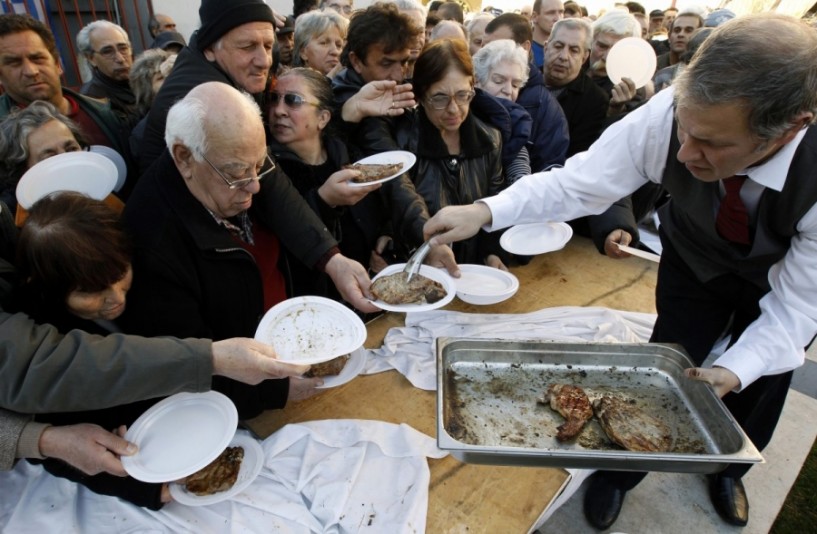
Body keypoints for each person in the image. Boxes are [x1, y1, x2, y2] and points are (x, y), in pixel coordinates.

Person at [423, 14, 817, 529]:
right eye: (685, 130)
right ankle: (620, 471)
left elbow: (798, 308)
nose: (683, 153)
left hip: (780, 274)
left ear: (791, 127)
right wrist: (485, 211)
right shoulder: (669, 115)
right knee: (667, 361)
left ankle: (728, 466)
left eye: (712, 144)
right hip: (694, 258)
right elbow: (581, 182)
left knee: (761, 380)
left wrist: (737, 369)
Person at [375, 39, 508, 268]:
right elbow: (395, 210)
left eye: (462, 95)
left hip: (472, 273)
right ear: (421, 96)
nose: (454, 109)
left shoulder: (491, 140)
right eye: (439, 98)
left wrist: (492, 253)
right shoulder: (403, 144)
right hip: (419, 268)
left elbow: (495, 205)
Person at [268, 68, 388, 291]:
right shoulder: (269, 174)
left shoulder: (346, 156)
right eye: (273, 99)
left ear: (322, 118)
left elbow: (379, 214)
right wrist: (323, 201)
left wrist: (385, 242)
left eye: (293, 100)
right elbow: (284, 248)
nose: (278, 110)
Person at [0, 14, 133, 190]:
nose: (31, 71)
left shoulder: (108, 113)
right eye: (14, 63)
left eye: (37, 58)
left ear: (57, 64)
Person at [482, 13, 570, 172]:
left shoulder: (546, 109)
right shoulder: (466, 95)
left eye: (497, 47)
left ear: (524, 49)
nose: (484, 54)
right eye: (484, 46)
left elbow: (547, 174)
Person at [0, 101, 85, 213]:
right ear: (23, 169)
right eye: (50, 157)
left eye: (71, 149)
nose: (67, 160)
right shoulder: (10, 219)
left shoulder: (104, 192)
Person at [544, 17, 610, 156]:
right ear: (546, 47)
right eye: (558, 46)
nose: (563, 56)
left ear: (584, 57)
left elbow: (577, 157)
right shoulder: (522, 80)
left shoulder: (594, 100)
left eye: (574, 50)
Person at [472, 39, 532, 183]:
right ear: (476, 80)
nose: (508, 91)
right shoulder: (456, 117)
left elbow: (521, 180)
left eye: (516, 85)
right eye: (498, 81)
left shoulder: (517, 127)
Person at [587, 10, 649, 118]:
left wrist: (615, 111)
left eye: (616, 52)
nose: (606, 57)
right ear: (591, 41)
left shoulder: (631, 89)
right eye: (602, 46)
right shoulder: (574, 64)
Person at [76, 20, 137, 121]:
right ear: (91, 58)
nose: (120, 59)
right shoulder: (93, 99)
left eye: (123, 48)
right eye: (107, 52)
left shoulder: (146, 80)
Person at [129, 48, 174, 159]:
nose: (169, 79)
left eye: (171, 73)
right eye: (160, 78)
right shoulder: (143, 133)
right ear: (147, 90)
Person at [292, 9, 348, 78]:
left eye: (339, 45)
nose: (335, 52)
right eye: (324, 43)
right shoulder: (290, 85)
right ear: (303, 52)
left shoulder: (351, 84)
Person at [530, 0, 564, 69]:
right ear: (534, 17)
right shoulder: (523, 49)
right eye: (551, 13)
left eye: (561, 12)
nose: (558, 18)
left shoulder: (566, 49)